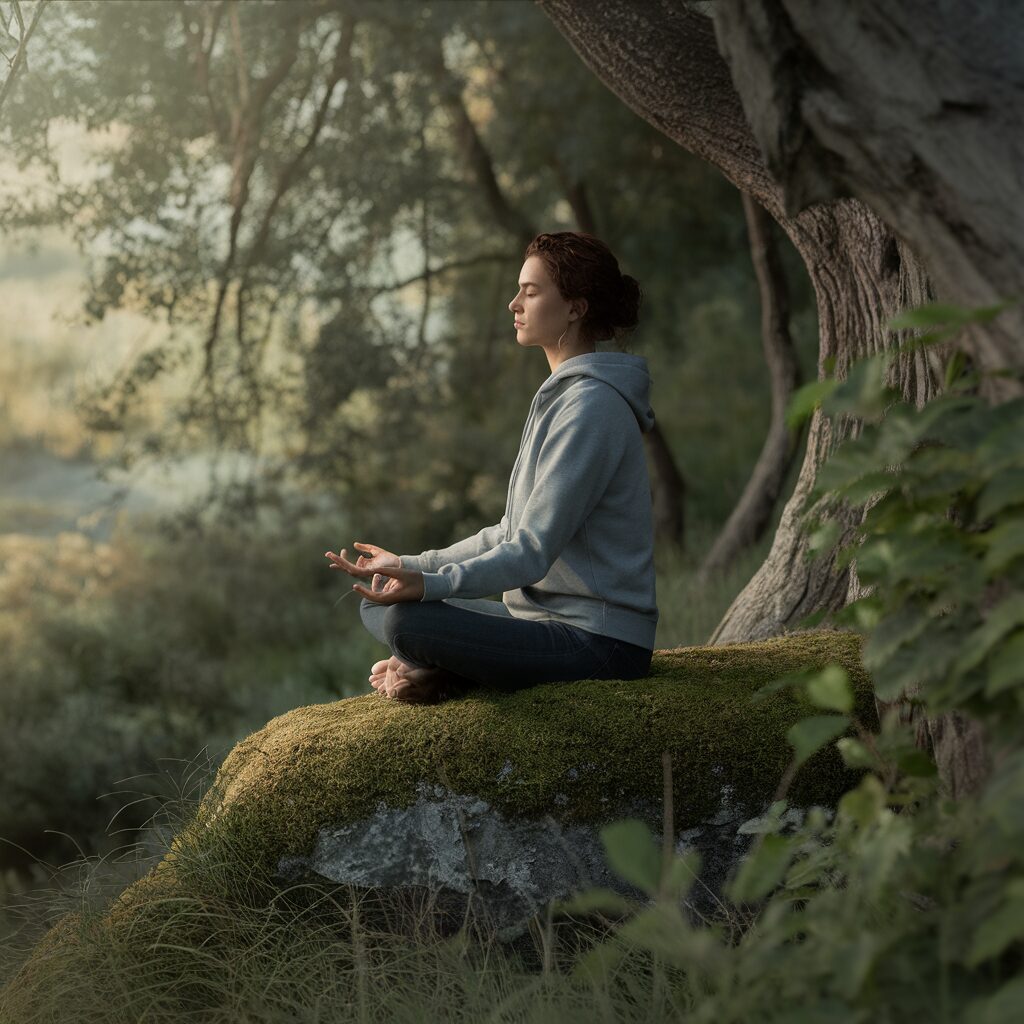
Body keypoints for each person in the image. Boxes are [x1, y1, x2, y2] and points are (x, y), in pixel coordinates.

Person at [325, 231, 659, 703]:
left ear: (575, 308)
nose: (513, 303)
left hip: (600, 642)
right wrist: (410, 566)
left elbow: (530, 552)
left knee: (407, 619)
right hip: (540, 624)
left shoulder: (592, 408)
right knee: (381, 598)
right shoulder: (560, 398)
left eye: (531, 290)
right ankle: (438, 669)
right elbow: (507, 531)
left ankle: (437, 669)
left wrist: (430, 586)